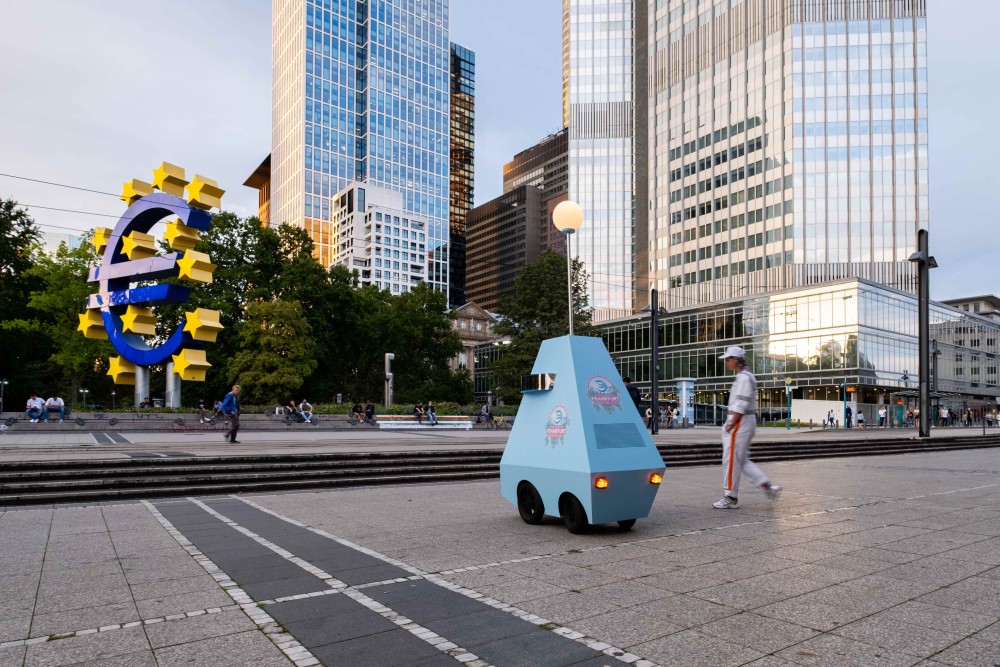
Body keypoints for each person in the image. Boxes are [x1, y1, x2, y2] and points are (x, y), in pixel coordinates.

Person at [714, 346, 781, 509]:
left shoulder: (744, 378)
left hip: (740, 422)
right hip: (745, 421)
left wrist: (731, 423)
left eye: (728, 359)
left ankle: (730, 496)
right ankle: (768, 487)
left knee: (730, 460)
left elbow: (741, 403)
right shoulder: (745, 376)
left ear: (736, 360)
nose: (726, 362)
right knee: (741, 460)